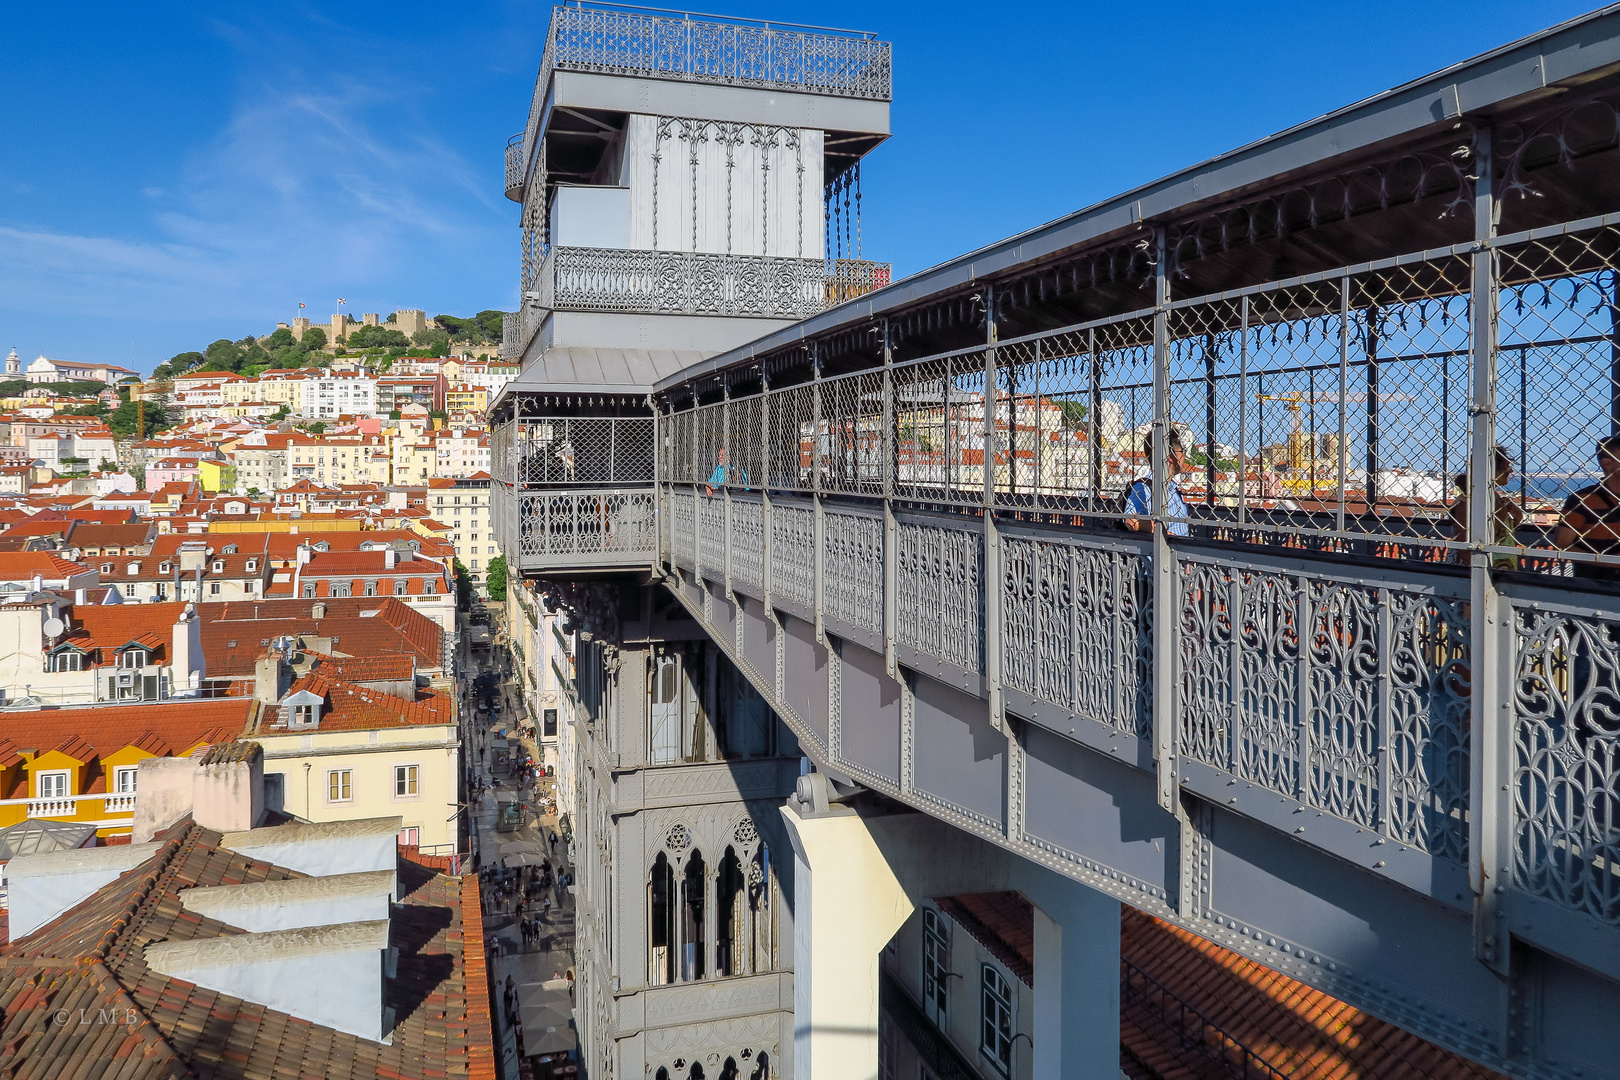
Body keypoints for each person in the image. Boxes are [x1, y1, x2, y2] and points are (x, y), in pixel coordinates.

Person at [1555, 432, 1620, 580]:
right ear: (1607, 464)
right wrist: (1606, 562)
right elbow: (1562, 544)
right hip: (1595, 585)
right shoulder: (1582, 500)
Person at [1449, 445, 1524, 570]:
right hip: (1475, 575)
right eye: (1506, 467)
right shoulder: (1466, 503)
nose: (1510, 471)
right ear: (1491, 471)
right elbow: (1464, 549)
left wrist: (1515, 513)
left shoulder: (1495, 499)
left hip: (1501, 571)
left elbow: (1504, 533)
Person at [1123, 428, 1190, 536]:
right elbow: (1131, 521)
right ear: (1170, 458)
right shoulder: (1143, 487)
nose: (1184, 457)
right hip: (1162, 550)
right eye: (1182, 452)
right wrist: (1162, 533)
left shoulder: (1173, 488)